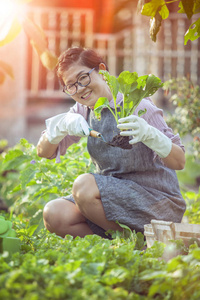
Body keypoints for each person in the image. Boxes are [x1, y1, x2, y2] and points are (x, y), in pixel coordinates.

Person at [37, 47, 186, 239]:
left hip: (155, 201)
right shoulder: (83, 110)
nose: (80, 88)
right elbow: (43, 152)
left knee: (84, 186)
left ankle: (132, 243)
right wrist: (59, 128)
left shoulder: (137, 105)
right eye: (71, 85)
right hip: (112, 201)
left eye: (83, 78)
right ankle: (126, 240)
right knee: (54, 214)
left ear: (102, 70)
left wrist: (150, 135)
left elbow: (179, 161)